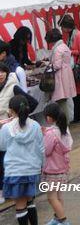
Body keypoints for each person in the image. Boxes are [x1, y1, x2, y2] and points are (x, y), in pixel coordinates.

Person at [0, 95, 44, 225]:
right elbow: (41, 148)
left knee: (20, 205)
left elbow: (1, 146)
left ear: (11, 111)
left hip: (15, 171)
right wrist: (42, 165)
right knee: (30, 201)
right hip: (32, 169)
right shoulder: (35, 125)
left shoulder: (6, 128)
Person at [0, 62, 38, 205]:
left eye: (2, 71)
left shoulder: (13, 86)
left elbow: (32, 103)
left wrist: (18, 118)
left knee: (10, 160)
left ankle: (17, 192)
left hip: (12, 130)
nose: (0, 74)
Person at [42, 103, 73, 225]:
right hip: (62, 168)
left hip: (52, 170)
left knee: (51, 197)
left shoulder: (51, 133)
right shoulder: (64, 129)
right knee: (59, 195)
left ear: (49, 117)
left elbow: (47, 150)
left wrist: (44, 135)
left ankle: (63, 220)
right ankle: (57, 218)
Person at [58, 15, 80, 123]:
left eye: (62, 27)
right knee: (77, 93)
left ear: (67, 26)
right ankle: (79, 115)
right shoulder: (71, 35)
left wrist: (70, 51)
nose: (62, 30)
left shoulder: (78, 35)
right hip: (74, 66)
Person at [45, 29, 77, 123]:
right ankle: (65, 121)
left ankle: (64, 122)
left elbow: (57, 65)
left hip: (60, 77)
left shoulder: (57, 49)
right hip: (67, 75)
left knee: (61, 101)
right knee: (64, 101)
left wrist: (49, 65)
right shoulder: (64, 46)